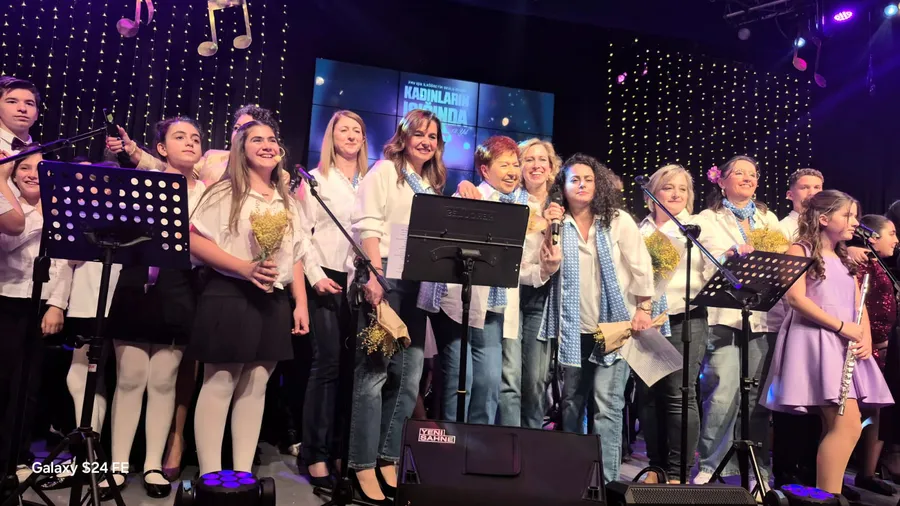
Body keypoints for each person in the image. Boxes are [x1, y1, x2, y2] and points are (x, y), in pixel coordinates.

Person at [188, 120, 309, 476]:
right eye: (257, 140)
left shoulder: (287, 200)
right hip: (230, 293)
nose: (267, 145)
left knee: (256, 386)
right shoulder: (224, 193)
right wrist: (242, 267)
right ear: (241, 149)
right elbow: (193, 240)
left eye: (272, 139)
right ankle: (210, 475)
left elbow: (295, 256)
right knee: (220, 382)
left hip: (273, 299)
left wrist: (300, 303)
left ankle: (242, 473)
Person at [99, 117, 207, 498]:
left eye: (196, 138)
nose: (190, 143)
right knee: (129, 378)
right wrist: (131, 151)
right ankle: (116, 467)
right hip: (136, 280)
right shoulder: (145, 181)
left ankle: (152, 466)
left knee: (163, 382)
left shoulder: (208, 193)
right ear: (162, 149)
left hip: (180, 287)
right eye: (180, 137)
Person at [761, 190, 893, 494]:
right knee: (847, 424)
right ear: (823, 219)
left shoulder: (844, 256)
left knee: (844, 424)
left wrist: (864, 335)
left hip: (844, 343)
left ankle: (825, 493)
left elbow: (858, 302)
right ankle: (828, 496)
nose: (855, 222)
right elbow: (796, 299)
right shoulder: (800, 250)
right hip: (816, 340)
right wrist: (841, 327)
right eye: (847, 215)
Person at [426, 136, 558, 424]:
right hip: (460, 309)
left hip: (495, 312)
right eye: (504, 165)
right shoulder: (470, 198)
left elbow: (518, 269)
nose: (512, 171)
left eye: (515, 164)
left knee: (488, 386)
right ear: (485, 170)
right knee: (460, 382)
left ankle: (478, 446)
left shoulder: (524, 208)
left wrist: (544, 271)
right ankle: (454, 441)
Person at [542, 153, 655, 485]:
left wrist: (644, 308)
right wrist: (548, 227)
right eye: (574, 179)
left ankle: (606, 482)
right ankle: (572, 477)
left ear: (598, 184)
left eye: (588, 179)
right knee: (571, 404)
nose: (582, 185)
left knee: (607, 404)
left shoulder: (618, 220)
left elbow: (641, 265)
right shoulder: (557, 222)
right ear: (562, 186)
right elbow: (544, 266)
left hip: (613, 327)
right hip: (573, 327)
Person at [347, 109, 442, 504]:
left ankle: (388, 457)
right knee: (373, 376)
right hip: (384, 276)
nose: (426, 141)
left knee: (409, 376)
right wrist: (374, 275)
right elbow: (368, 224)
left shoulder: (431, 184)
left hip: (417, 282)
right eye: (419, 134)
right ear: (404, 137)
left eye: (432, 136)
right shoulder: (385, 171)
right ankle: (361, 464)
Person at [694, 156, 781, 489]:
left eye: (753, 174)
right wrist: (731, 252)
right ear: (722, 181)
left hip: (764, 318)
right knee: (722, 393)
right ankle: (711, 464)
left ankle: (758, 470)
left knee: (756, 400)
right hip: (725, 317)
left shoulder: (768, 219)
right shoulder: (708, 218)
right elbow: (706, 257)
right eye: (739, 173)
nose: (748, 178)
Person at [299, 110, 369, 487]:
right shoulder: (315, 180)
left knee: (355, 371)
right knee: (326, 365)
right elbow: (301, 234)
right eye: (344, 129)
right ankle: (314, 454)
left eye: (357, 130)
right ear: (331, 137)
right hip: (326, 277)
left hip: (363, 283)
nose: (351, 135)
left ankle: (344, 452)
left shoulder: (371, 181)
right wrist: (315, 277)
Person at [0, 148, 72, 482]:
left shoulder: (62, 209)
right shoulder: (9, 206)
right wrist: (40, 213)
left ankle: (17, 457)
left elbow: (67, 263)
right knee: (4, 381)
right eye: (24, 168)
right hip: (7, 300)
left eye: (40, 168)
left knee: (27, 386)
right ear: (13, 174)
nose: (32, 174)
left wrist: (57, 304)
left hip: (40, 304)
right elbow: (8, 242)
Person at [636, 164, 709, 484]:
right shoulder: (639, 230)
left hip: (685, 319)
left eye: (683, 188)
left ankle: (678, 472)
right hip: (644, 323)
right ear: (651, 195)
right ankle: (656, 466)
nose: (676, 194)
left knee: (679, 396)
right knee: (649, 396)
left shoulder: (699, 228)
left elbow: (714, 269)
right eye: (668, 187)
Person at [106, 105, 280, 183]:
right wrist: (133, 151)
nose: (238, 133)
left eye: (245, 129)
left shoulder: (275, 171)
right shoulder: (213, 158)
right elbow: (172, 171)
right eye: (236, 128)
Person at [851, 214, 899, 495]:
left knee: (877, 411)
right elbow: (858, 305)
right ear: (872, 237)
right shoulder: (861, 264)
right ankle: (836, 477)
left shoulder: (880, 265)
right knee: (855, 412)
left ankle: (867, 473)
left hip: (884, 349)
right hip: (865, 348)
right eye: (891, 233)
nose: (896, 240)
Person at [0, 76, 41, 236]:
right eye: (12, 101)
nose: (22, 109)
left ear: (37, 114)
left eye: (29, 103)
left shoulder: (46, 153)